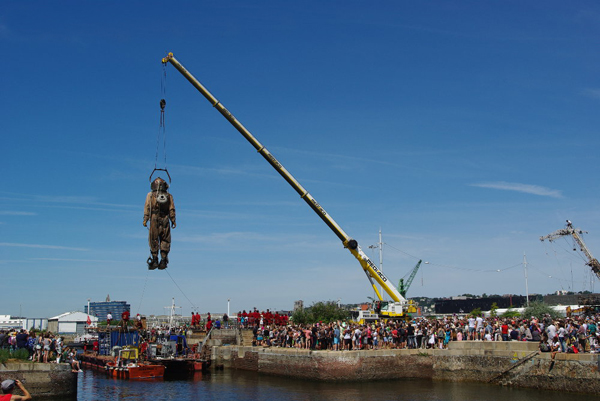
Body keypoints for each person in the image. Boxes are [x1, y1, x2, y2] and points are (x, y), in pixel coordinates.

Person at [143, 177, 176, 270]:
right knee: (165, 238)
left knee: (153, 238)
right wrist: (173, 220)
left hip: (154, 219)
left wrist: (145, 219)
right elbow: (172, 209)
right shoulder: (169, 196)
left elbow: (147, 207)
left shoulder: (150, 195)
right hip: (165, 219)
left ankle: (155, 259)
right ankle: (163, 259)